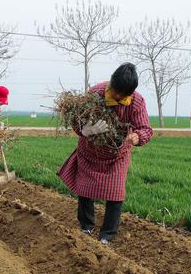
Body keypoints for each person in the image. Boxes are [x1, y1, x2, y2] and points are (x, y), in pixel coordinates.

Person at [57, 63, 153, 244]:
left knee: (115, 193)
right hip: (90, 151)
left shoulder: (137, 102)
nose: (117, 97)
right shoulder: (96, 93)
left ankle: (107, 235)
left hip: (117, 155)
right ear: (111, 83)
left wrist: (137, 137)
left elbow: (145, 128)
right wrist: (86, 130)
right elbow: (77, 120)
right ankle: (86, 227)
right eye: (116, 92)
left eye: (122, 95)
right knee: (85, 190)